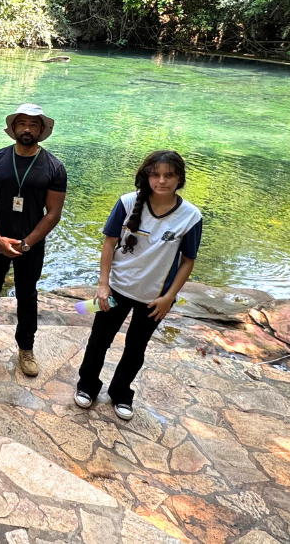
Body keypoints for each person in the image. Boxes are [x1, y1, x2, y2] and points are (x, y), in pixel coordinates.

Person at [75, 150, 202, 420]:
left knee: (136, 347)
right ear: (146, 177)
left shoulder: (190, 216)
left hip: (154, 298)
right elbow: (109, 243)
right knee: (99, 340)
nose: (162, 181)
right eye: (155, 175)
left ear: (179, 178)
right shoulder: (127, 202)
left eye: (169, 175)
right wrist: (103, 285)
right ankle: (87, 385)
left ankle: (121, 393)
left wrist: (170, 297)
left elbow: (188, 261)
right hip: (116, 289)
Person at [0, 104, 67, 378]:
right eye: (22, 123)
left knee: (27, 295)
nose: (27, 129)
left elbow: (53, 213)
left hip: (31, 244)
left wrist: (27, 243)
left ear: (42, 130)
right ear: (13, 128)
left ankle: (26, 348)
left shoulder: (54, 167)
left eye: (33, 124)